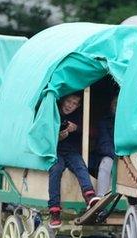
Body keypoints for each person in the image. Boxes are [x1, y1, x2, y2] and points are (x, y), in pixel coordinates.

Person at [48, 93, 97, 227]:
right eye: (68, 101)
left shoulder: (80, 116)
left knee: (80, 165)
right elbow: (42, 134)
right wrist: (57, 137)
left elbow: (92, 131)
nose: (70, 105)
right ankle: (54, 210)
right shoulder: (51, 112)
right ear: (63, 100)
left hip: (71, 151)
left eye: (74, 103)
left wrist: (77, 128)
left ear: (78, 106)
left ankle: (89, 196)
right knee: (56, 170)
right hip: (55, 151)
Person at [90, 95, 116, 198]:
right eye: (115, 104)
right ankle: (100, 198)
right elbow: (104, 145)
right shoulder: (105, 122)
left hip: (128, 157)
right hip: (111, 155)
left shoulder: (130, 123)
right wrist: (119, 157)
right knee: (106, 163)